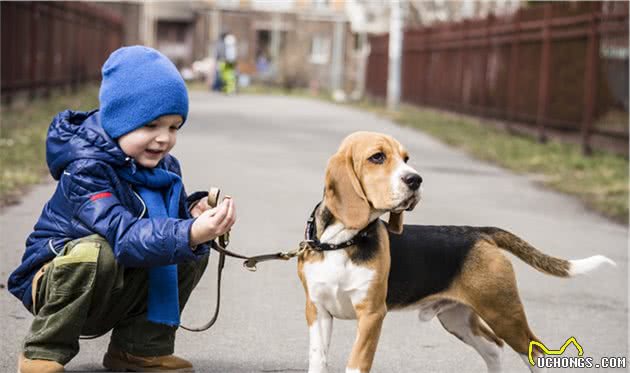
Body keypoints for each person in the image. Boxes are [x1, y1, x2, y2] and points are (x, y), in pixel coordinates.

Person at [7, 45, 236, 373]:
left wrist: (193, 216)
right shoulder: (86, 168)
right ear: (118, 120)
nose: (164, 139)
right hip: (57, 283)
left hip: (114, 279)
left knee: (190, 245)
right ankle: (42, 352)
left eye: (173, 127)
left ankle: (139, 349)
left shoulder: (166, 167)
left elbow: (163, 228)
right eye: (152, 125)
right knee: (98, 250)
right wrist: (186, 231)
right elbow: (124, 233)